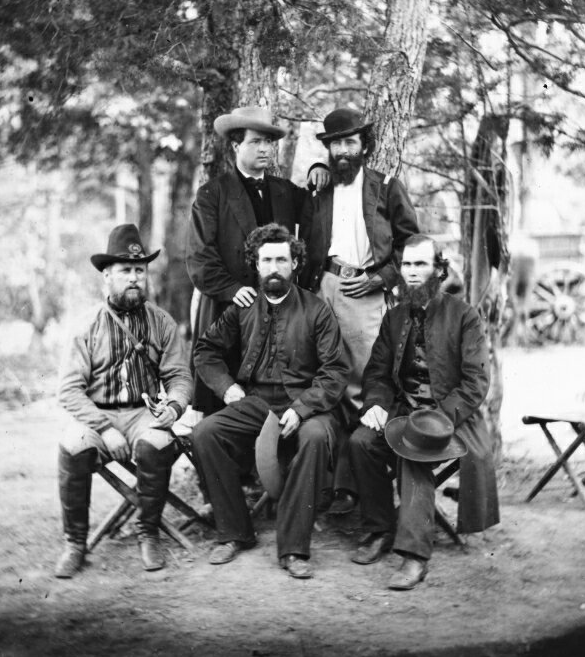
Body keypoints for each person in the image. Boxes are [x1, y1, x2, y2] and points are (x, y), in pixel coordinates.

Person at [191, 223, 348, 579]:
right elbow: (206, 351)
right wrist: (227, 388)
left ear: (295, 264)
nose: (274, 267)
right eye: (266, 260)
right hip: (256, 404)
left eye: (282, 259)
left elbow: (335, 371)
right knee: (205, 433)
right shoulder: (241, 308)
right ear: (255, 265)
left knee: (314, 437)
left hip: (308, 406)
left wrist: (302, 408)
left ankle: (293, 548)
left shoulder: (317, 310)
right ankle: (235, 532)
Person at [346, 234, 499, 590]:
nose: (412, 273)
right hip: (402, 412)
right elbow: (378, 374)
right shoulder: (395, 317)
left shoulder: (465, 316)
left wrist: (438, 419)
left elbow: (476, 381)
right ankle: (380, 528)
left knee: (414, 452)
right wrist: (377, 405)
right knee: (360, 442)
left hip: (453, 420)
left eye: (421, 265)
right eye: (407, 265)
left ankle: (415, 557)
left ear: (438, 270)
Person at [298, 107, 420, 514]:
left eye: (350, 142)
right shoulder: (321, 189)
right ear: (329, 151)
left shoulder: (386, 187)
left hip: (364, 289)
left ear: (363, 146)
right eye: (335, 144)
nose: (343, 151)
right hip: (323, 288)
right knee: (326, 379)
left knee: (367, 385)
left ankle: (368, 491)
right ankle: (338, 487)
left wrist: (381, 278)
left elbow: (411, 244)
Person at [54, 224, 193, 577]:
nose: (134, 278)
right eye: (125, 271)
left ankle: (148, 532)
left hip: (142, 415)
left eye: (139, 271)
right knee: (73, 446)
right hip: (96, 416)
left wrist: (174, 406)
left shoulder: (161, 322)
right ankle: (75, 543)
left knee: (157, 444)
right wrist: (104, 428)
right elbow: (69, 390)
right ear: (106, 277)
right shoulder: (86, 325)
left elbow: (179, 377)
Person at [186, 106, 328, 416]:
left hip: (278, 309)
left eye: (268, 141)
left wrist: (319, 166)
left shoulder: (283, 190)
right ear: (236, 146)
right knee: (225, 398)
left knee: (274, 391)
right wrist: (229, 288)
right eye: (255, 142)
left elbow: (317, 208)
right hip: (231, 306)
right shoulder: (213, 194)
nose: (264, 149)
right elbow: (199, 254)